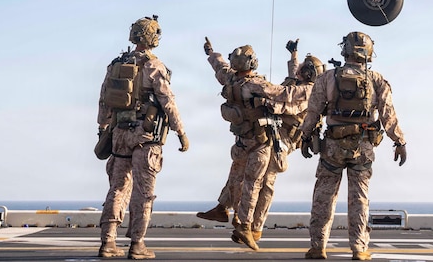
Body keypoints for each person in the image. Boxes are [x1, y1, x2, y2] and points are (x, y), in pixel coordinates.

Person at [195, 39, 323, 236]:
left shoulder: (311, 94)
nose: (298, 70)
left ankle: (255, 228)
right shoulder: (296, 84)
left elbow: (290, 103)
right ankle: (226, 210)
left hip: (283, 141)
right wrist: (293, 55)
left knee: (265, 183)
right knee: (240, 172)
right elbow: (290, 83)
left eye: (304, 69)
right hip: (268, 134)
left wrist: (267, 104)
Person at [299, 32, 407, 261]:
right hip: (362, 147)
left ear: (345, 50)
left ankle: (318, 247)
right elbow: (389, 115)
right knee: (359, 199)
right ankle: (359, 249)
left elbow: (313, 111)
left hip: (332, 148)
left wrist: (305, 136)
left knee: (323, 197)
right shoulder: (377, 80)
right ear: (368, 53)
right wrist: (399, 141)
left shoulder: (327, 78)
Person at [96, 16, 190, 260]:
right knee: (143, 192)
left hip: (119, 136)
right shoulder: (154, 66)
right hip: (145, 137)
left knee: (117, 189)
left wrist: (103, 127)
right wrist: (181, 132)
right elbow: (168, 101)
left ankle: (108, 242)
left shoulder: (116, 64)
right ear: (153, 38)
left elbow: (104, 99)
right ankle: (137, 244)